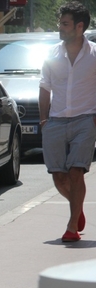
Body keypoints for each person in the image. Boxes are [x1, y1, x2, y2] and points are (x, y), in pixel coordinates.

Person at [39, 1, 96, 242]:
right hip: (55, 121)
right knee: (59, 176)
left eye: (65, 23)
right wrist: (43, 120)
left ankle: (72, 227)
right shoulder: (52, 54)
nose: (60, 28)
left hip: (85, 119)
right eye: (60, 23)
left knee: (76, 172)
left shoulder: (94, 54)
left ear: (79, 26)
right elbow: (44, 87)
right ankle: (78, 208)